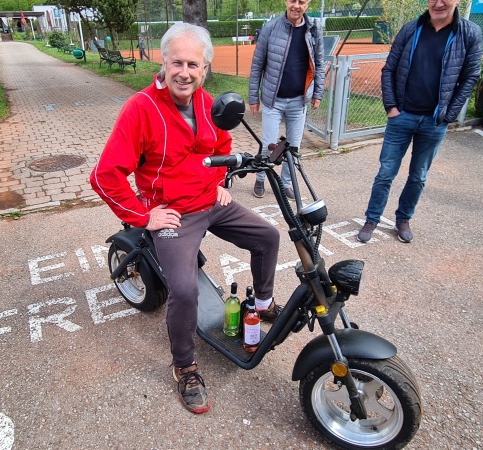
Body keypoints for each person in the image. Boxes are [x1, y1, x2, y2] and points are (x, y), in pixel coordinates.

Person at [89, 23, 282, 415]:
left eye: (194, 64)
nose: (185, 72)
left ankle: (262, 302)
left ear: (205, 68)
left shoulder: (208, 103)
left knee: (268, 236)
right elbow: (104, 175)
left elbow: (222, 145)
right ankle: (184, 367)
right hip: (174, 215)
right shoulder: (140, 109)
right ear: (164, 60)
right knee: (184, 290)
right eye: (177, 62)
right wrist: (144, 215)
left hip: (210, 199)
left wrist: (219, 180)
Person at [356, 0, 482, 244]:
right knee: (385, 173)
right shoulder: (411, 29)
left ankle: (403, 218)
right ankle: (372, 218)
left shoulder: (469, 33)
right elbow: (389, 69)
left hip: (434, 122)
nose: (439, 3)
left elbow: (470, 76)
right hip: (402, 116)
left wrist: (449, 114)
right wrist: (392, 108)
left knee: (418, 176)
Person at [248, 0, 325, 200]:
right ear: (286, 1)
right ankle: (260, 178)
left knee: (293, 147)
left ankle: (285, 183)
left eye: (302, 2)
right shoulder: (271, 28)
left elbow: (319, 62)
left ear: (307, 4)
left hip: (299, 101)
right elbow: (257, 64)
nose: (296, 6)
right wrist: (253, 97)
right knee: (269, 144)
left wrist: (317, 93)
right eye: (293, 0)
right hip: (274, 100)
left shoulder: (314, 30)